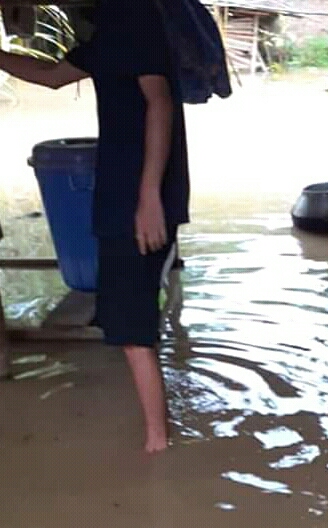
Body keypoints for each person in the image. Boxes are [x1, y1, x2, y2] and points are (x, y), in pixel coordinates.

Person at [0, 0, 190, 452]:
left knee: (132, 331)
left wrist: (148, 199)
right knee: (129, 323)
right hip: (121, 195)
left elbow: (159, 103)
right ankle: (161, 431)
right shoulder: (107, 25)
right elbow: (51, 76)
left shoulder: (133, 16)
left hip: (138, 201)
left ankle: (157, 447)